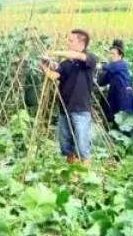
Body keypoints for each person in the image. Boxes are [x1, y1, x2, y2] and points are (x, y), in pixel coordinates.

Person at [39, 29, 97, 166]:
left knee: (82, 146)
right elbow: (53, 76)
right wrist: (43, 67)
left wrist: (54, 53)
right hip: (64, 109)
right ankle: (72, 174)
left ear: (81, 43)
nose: (67, 43)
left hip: (81, 109)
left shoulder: (89, 58)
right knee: (67, 146)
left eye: (71, 40)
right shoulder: (66, 64)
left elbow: (78, 56)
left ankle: (85, 177)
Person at [97, 39, 133, 137]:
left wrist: (99, 65)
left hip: (125, 96)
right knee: (116, 117)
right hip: (115, 95)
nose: (111, 56)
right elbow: (102, 81)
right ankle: (118, 140)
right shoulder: (111, 67)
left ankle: (128, 140)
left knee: (125, 118)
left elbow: (108, 67)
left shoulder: (121, 65)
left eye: (113, 54)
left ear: (120, 56)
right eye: (110, 53)